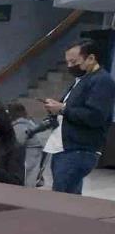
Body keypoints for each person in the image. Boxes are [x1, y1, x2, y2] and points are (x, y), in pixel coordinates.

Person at [43, 39, 115, 194]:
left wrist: (62, 108)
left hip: (78, 149)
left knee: (61, 198)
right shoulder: (83, 80)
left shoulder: (101, 80)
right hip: (66, 147)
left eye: (74, 62)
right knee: (71, 198)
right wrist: (57, 108)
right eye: (68, 62)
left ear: (91, 58)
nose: (70, 66)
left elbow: (95, 116)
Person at [7, 101, 49, 187]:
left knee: (27, 178)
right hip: (35, 152)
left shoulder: (19, 124)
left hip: (29, 153)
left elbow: (19, 141)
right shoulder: (28, 122)